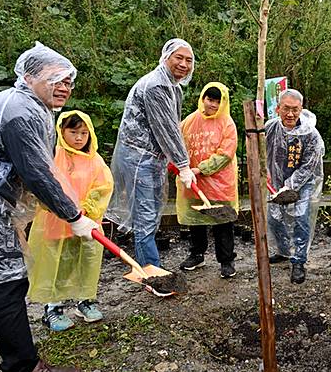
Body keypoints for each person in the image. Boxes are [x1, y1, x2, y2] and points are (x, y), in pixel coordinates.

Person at [0, 43, 100, 372]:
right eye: (56, 78)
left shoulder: (27, 106)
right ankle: (23, 371)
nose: (65, 86)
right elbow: (38, 173)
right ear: (28, 76)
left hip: (1, 208)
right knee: (8, 282)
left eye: (69, 80)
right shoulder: (21, 111)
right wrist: (74, 216)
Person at [106, 39, 197, 267]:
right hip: (140, 159)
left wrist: (175, 160)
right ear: (165, 57)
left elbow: (173, 126)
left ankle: (151, 266)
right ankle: (151, 272)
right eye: (179, 58)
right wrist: (183, 164)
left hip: (152, 158)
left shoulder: (172, 87)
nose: (184, 64)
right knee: (145, 217)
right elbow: (166, 129)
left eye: (189, 60)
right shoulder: (156, 86)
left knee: (152, 214)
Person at [26, 111, 113, 331]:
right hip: (57, 223)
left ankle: (85, 301)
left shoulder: (95, 160)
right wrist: (65, 210)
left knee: (86, 263)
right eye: (73, 132)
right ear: (61, 132)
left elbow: (103, 187)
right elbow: (44, 188)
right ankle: (52, 309)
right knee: (58, 266)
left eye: (83, 133)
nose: (78, 138)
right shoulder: (53, 157)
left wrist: (87, 208)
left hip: (88, 223)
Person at [176, 82, 238, 278]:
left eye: (218, 101)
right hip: (194, 181)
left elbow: (225, 154)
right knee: (196, 221)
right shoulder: (189, 121)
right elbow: (176, 144)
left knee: (223, 221)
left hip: (220, 183)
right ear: (203, 98)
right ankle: (197, 254)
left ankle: (226, 261)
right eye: (210, 99)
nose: (213, 105)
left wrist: (201, 169)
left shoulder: (227, 123)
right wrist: (181, 167)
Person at [266, 89, 324, 284]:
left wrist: (290, 186)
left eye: (295, 109)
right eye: (286, 109)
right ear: (278, 109)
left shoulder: (311, 134)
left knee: (300, 218)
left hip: (302, 183)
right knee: (274, 219)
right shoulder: (270, 128)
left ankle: (298, 260)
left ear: (301, 109)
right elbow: (261, 154)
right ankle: (283, 251)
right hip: (275, 182)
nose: (290, 114)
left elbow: (309, 165)